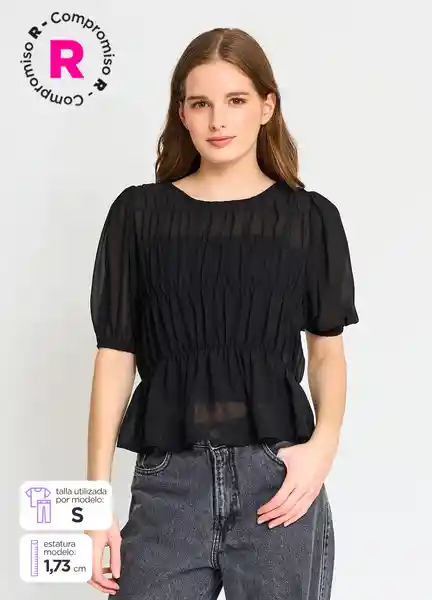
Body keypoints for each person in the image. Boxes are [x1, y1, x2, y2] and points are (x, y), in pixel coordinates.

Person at [86, 26, 359, 600]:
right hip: (169, 482)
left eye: (236, 100)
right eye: (200, 103)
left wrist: (323, 448)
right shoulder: (139, 215)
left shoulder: (309, 219)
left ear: (267, 106)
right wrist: (93, 504)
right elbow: (114, 355)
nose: (218, 121)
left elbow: (326, 352)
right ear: (181, 113)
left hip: (278, 482)